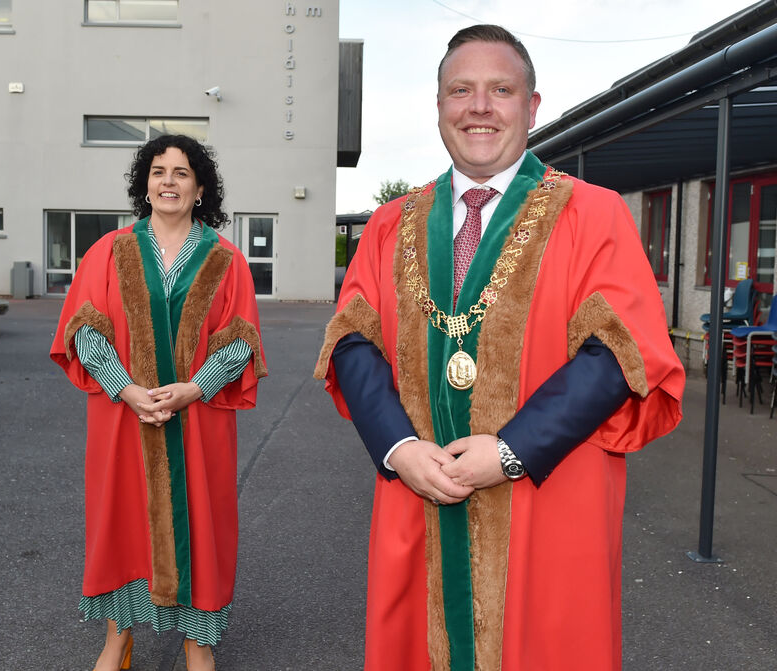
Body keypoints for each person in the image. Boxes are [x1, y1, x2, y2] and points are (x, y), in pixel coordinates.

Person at [314, 25, 685, 671]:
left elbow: (618, 352)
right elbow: (352, 338)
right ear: (439, 107)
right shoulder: (389, 224)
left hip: (549, 501)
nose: (479, 106)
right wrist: (399, 449)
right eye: (461, 90)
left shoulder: (592, 214)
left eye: (500, 90)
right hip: (418, 489)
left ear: (531, 106)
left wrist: (512, 450)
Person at [51, 135, 267, 671]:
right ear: (145, 185)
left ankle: (198, 640)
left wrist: (196, 387)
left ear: (200, 189)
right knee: (119, 521)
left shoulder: (226, 259)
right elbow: (85, 329)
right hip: (121, 417)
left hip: (198, 422)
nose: (168, 181)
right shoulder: (110, 250)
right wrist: (125, 389)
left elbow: (240, 339)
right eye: (158, 171)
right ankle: (118, 638)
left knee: (202, 524)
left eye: (182, 173)